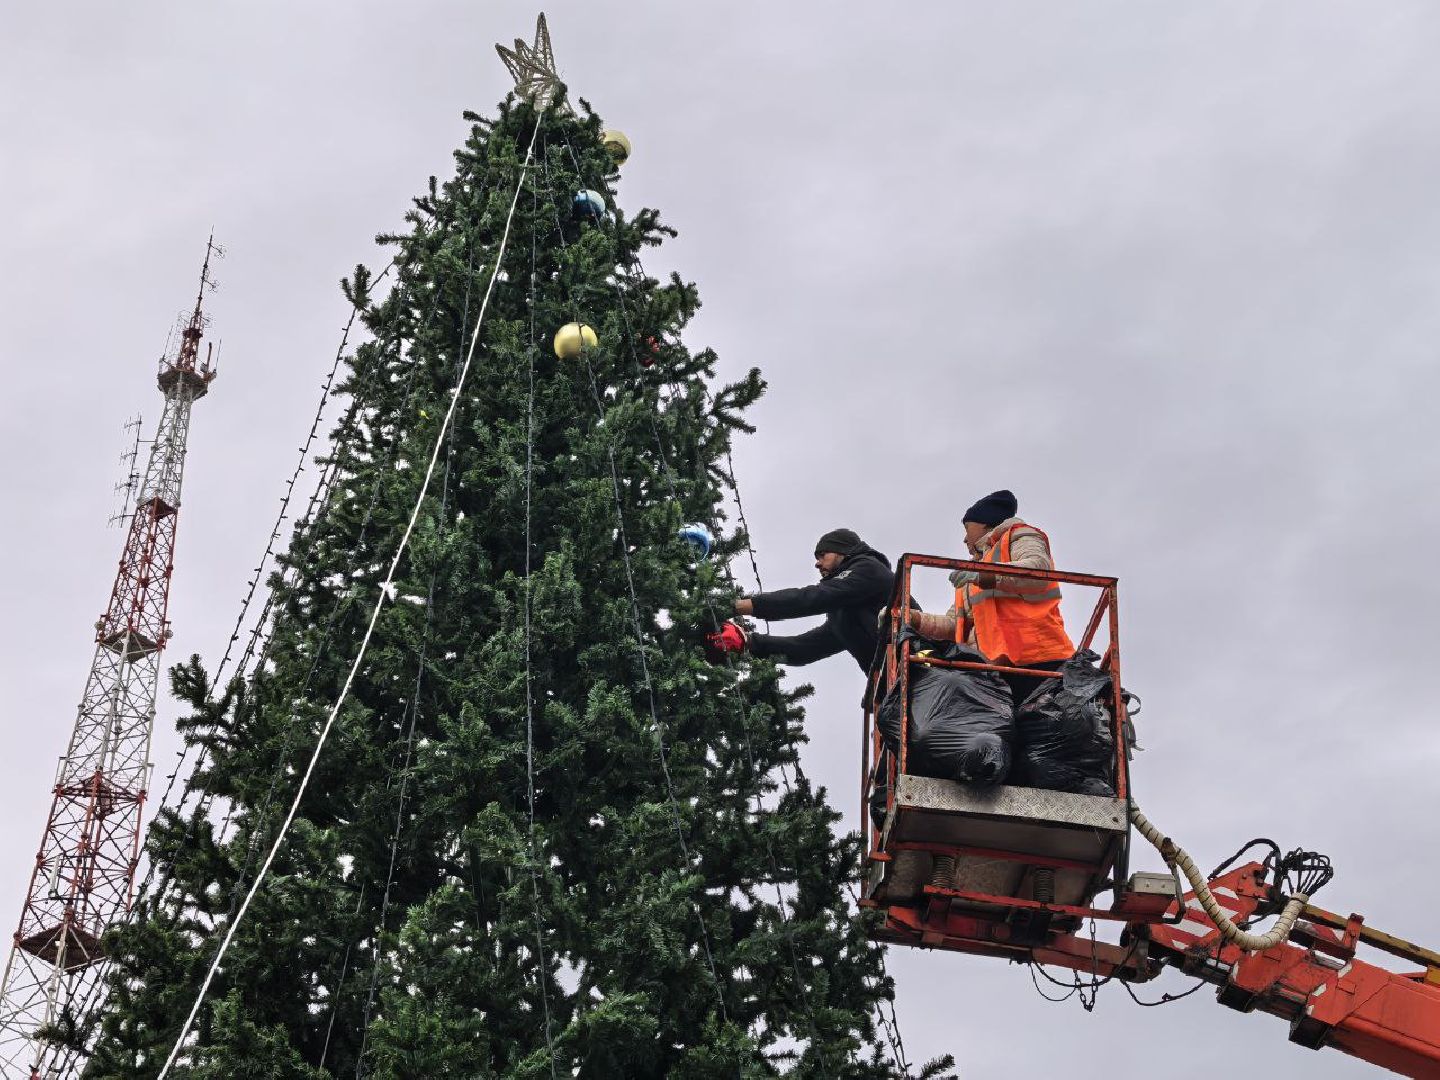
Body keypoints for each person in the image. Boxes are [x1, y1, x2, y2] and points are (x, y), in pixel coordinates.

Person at [907, 490, 1074, 705]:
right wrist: (913, 619)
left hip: (1038, 659)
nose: (965, 538)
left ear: (985, 523)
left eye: (967, 528)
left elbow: (1038, 570)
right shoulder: (971, 573)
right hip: (993, 667)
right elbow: (954, 625)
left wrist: (983, 574)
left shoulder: (1019, 536)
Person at [706, 528, 894, 673]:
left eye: (823, 555)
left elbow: (812, 598)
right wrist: (749, 643)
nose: (817, 563)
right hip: (894, 685)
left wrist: (741, 606)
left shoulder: (868, 568)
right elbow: (806, 648)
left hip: (919, 662)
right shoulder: (845, 616)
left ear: (843, 552)